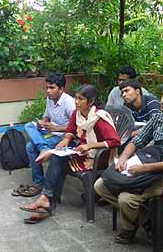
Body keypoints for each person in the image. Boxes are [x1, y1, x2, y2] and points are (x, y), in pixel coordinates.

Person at [95, 76, 163, 244]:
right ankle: (143, 218)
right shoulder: (158, 118)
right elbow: (137, 141)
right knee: (100, 185)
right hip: (145, 165)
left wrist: (148, 168)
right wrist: (122, 158)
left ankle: (129, 228)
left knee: (126, 198)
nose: (162, 101)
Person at [19, 84, 120, 223]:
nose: (76, 102)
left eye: (81, 99)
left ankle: (46, 201)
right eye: (76, 98)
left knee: (58, 161)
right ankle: (46, 202)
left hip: (97, 157)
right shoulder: (77, 114)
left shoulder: (99, 117)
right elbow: (71, 131)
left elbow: (115, 141)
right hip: (82, 152)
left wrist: (90, 145)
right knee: (58, 158)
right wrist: (65, 141)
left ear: (90, 102)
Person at [12, 73, 75, 197]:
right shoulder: (50, 99)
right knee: (29, 125)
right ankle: (43, 148)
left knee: (30, 147)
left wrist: (56, 128)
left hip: (63, 138)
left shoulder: (69, 103)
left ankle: (38, 183)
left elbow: (76, 128)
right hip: (50, 132)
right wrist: (43, 122)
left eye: (52, 88)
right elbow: (47, 115)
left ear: (61, 89)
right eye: (47, 87)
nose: (48, 91)